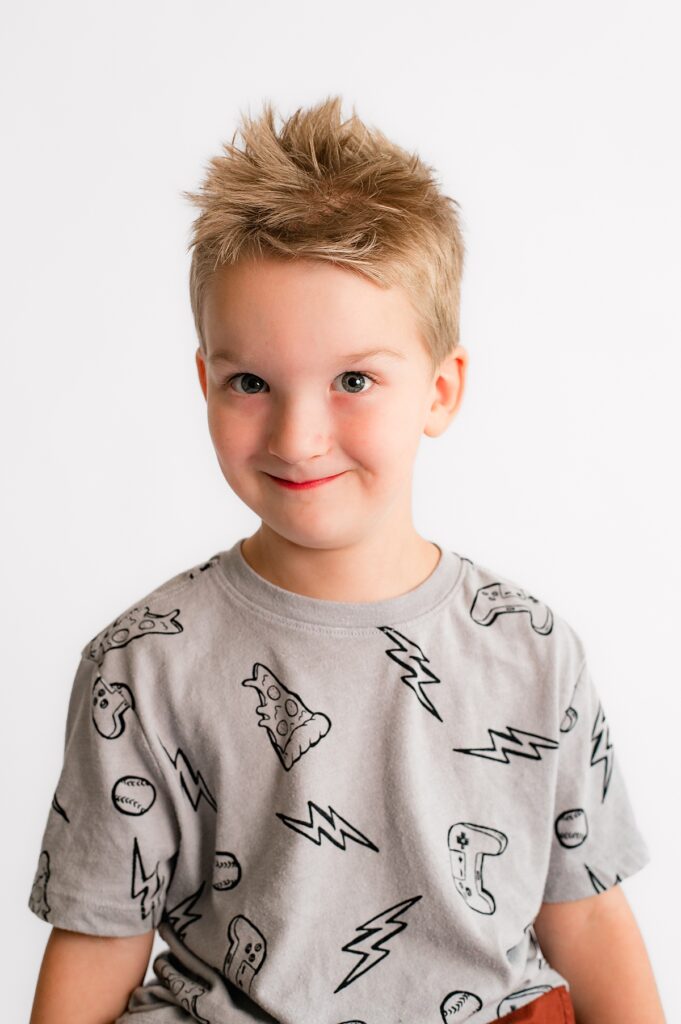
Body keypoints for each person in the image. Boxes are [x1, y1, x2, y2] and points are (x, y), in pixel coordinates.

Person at [27, 95, 665, 1024]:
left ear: (439, 390)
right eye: (251, 382)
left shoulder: (531, 649)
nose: (299, 434)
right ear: (204, 380)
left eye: (354, 380)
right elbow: (96, 938)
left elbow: (589, 916)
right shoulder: (142, 662)